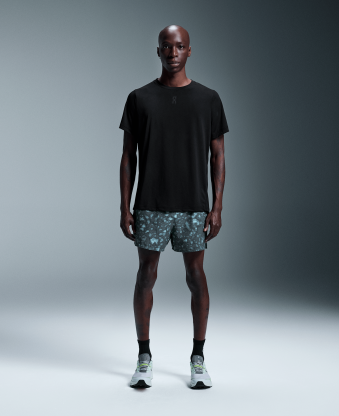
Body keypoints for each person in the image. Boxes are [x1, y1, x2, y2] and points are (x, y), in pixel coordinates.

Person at [119, 24, 229, 389]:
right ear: (158, 51)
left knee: (196, 276)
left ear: (189, 50)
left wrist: (217, 207)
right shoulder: (139, 98)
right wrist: (124, 206)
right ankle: (144, 357)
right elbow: (128, 156)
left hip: (193, 206)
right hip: (151, 203)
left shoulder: (209, 99)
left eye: (180, 46)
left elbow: (218, 155)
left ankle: (198, 358)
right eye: (167, 46)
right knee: (145, 275)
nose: (173, 52)